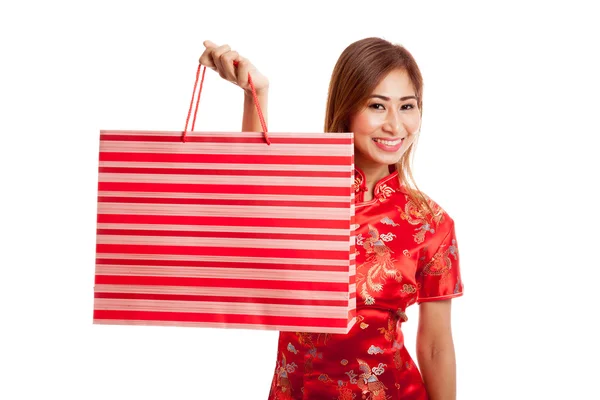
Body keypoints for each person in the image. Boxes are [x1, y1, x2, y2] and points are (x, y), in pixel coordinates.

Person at [199, 37, 464, 400]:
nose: (394, 125)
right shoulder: (307, 196)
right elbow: (252, 200)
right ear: (348, 108)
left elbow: (436, 346)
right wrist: (254, 95)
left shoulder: (431, 223)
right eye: (377, 105)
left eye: (407, 106)